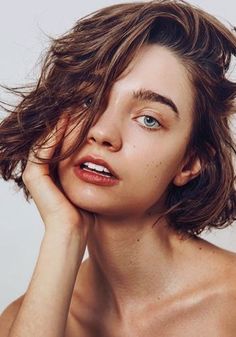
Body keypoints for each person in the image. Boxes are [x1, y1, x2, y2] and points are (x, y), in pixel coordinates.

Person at [0, 0, 236, 336]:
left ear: (190, 161)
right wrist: (64, 235)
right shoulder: (23, 320)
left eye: (148, 119)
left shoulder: (230, 304)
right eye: (88, 100)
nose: (103, 133)